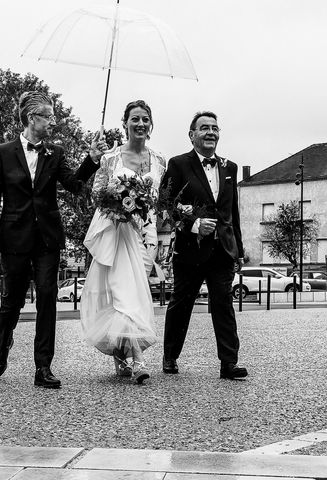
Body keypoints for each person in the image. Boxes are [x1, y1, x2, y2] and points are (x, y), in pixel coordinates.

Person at [0, 91, 107, 388]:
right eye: (48, 116)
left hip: (48, 238)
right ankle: (4, 343)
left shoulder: (56, 153)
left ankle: (43, 367)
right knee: (12, 301)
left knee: (48, 297)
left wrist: (91, 160)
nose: (53, 121)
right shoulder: (2, 152)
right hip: (14, 238)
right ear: (31, 118)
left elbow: (75, 185)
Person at [80, 100, 166, 384]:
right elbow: (97, 194)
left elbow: (158, 198)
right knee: (122, 291)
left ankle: (121, 352)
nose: (140, 124)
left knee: (138, 291)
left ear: (150, 124)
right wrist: (118, 204)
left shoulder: (159, 160)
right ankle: (138, 358)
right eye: (134, 119)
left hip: (147, 232)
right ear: (125, 123)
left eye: (145, 119)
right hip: (117, 231)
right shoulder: (110, 158)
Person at [159, 111, 248, 380]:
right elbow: (165, 206)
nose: (211, 132)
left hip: (222, 249)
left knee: (223, 303)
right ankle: (170, 356)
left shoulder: (229, 167)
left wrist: (239, 250)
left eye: (215, 128)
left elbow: (233, 212)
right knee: (182, 302)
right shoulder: (178, 164)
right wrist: (194, 224)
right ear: (192, 135)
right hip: (190, 249)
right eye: (204, 128)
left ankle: (229, 363)